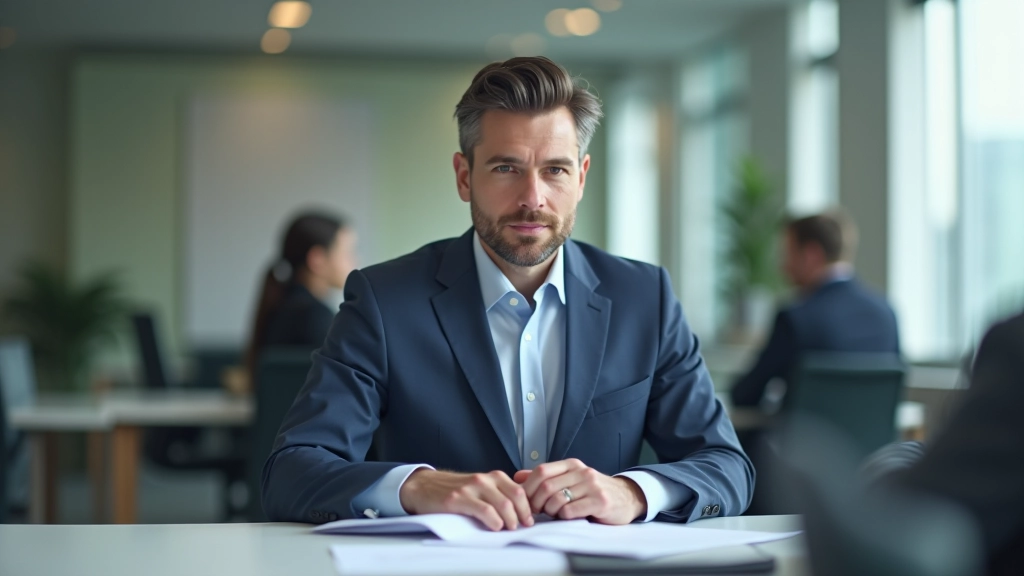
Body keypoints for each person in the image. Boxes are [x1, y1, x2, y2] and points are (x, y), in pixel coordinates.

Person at [261, 56, 753, 530]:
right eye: (506, 168)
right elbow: (292, 470)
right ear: (463, 176)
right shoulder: (384, 300)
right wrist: (415, 487)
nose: (532, 198)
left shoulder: (646, 298)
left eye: (555, 170)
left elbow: (726, 466)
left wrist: (632, 493)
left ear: (581, 178)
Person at [730, 211, 900, 408]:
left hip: (805, 438)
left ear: (811, 254)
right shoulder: (886, 314)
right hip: (876, 440)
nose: (783, 267)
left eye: (788, 254)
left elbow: (745, 395)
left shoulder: (795, 319)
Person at [243, 212, 357, 380]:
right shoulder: (317, 317)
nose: (355, 261)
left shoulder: (280, 306)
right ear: (316, 259)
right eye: (348, 253)